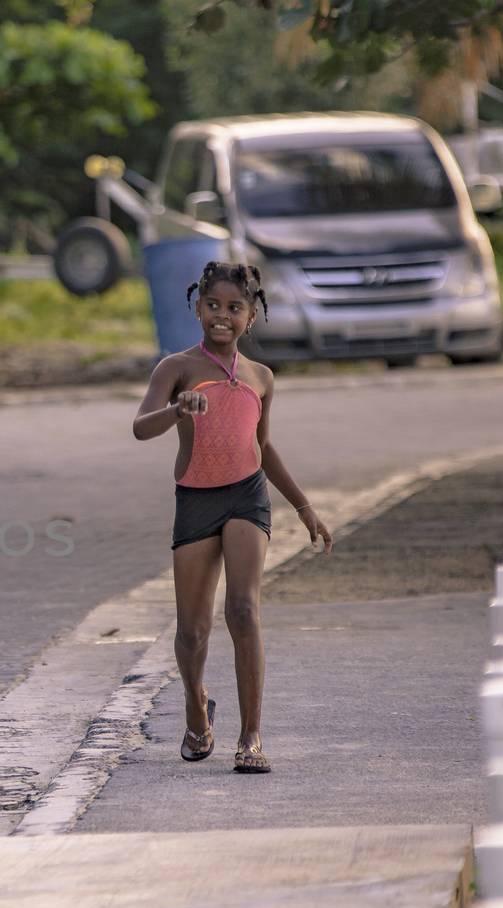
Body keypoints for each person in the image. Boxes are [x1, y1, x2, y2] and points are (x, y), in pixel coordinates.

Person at [131, 261, 333, 773]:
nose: (222, 316)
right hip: (196, 502)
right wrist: (177, 408)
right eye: (213, 306)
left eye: (234, 308)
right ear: (198, 309)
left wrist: (304, 508)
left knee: (243, 611)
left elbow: (262, 447)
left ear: (251, 318)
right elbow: (139, 428)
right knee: (192, 632)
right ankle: (197, 708)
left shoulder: (261, 377)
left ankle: (251, 737)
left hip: (246, 496)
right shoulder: (176, 368)